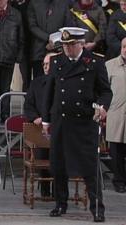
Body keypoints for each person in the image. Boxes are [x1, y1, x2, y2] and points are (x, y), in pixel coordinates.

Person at [42, 27, 113, 223]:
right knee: (58, 165)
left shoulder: (95, 62)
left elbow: (105, 91)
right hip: (61, 120)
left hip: (84, 122)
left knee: (90, 168)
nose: (67, 49)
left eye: (71, 45)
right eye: (65, 45)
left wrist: (103, 106)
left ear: (81, 44)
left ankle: (97, 208)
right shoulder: (57, 61)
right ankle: (60, 203)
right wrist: (46, 120)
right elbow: (50, 92)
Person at [24, 52, 57, 197]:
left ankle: (59, 191)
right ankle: (44, 189)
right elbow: (28, 106)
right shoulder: (36, 83)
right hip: (40, 130)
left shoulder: (63, 82)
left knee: (58, 158)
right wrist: (35, 118)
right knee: (42, 154)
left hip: (59, 128)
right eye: (44, 64)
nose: (45, 67)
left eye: (48, 64)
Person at [28, 0, 74, 79]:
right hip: (39, 52)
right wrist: (47, 38)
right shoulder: (34, 3)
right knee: (40, 82)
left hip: (59, 51)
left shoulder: (64, 3)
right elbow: (32, 26)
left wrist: (56, 42)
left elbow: (68, 26)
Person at [104, 37, 126, 193]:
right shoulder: (109, 65)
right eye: (124, 46)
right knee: (116, 151)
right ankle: (118, 180)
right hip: (116, 114)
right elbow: (103, 91)